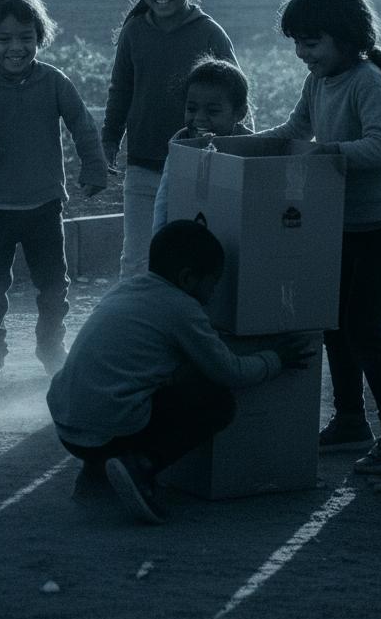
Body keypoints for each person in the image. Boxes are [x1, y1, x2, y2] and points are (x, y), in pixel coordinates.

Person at [46, 221, 311, 524]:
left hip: (68, 427)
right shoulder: (181, 308)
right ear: (187, 278)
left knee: (153, 382)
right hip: (108, 430)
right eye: (213, 283)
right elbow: (231, 372)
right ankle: (140, 466)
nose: (213, 295)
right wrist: (276, 358)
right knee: (217, 403)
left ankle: (96, 475)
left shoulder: (126, 288)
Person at [254, 0, 381, 474]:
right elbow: (294, 130)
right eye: (297, 42)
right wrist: (240, 144)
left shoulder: (369, 82)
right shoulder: (318, 81)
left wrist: (329, 153)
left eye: (310, 41)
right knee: (335, 325)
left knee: (365, 328)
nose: (301, 52)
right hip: (341, 222)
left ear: (345, 36)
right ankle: (350, 421)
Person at [0, 0, 109, 382]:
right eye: (4, 39)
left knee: (54, 285)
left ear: (40, 37)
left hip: (44, 206)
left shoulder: (53, 81)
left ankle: (51, 344)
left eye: (26, 37)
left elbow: (81, 124)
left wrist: (94, 166)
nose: (16, 47)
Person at [101, 0, 238, 279]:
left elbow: (235, 97)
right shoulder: (134, 32)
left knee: (190, 256)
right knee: (137, 258)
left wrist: (235, 146)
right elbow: (120, 91)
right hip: (144, 162)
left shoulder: (210, 34)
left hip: (198, 163)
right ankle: (135, 328)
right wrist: (109, 141)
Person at [152, 58, 253, 233]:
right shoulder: (181, 144)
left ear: (240, 113)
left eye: (213, 111)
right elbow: (164, 203)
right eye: (191, 109)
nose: (199, 118)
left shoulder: (250, 146)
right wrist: (159, 243)